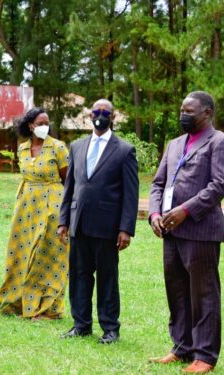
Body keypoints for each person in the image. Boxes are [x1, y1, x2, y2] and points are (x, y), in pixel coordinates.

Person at [147, 92, 224, 373]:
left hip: (200, 230)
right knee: (176, 291)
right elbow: (158, 183)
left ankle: (205, 355)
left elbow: (219, 185)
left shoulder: (221, 142)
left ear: (207, 113)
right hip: (170, 231)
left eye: (189, 111)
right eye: (181, 110)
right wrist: (154, 214)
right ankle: (181, 347)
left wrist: (184, 210)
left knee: (204, 294)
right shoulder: (174, 144)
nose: (183, 115)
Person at [57, 99, 139, 344]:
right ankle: (80, 325)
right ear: (89, 115)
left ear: (112, 117)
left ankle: (110, 328)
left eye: (105, 112)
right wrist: (64, 220)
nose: (100, 115)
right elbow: (69, 186)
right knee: (79, 276)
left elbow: (130, 193)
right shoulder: (77, 146)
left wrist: (126, 228)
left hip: (107, 227)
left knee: (107, 278)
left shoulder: (124, 150)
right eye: (96, 112)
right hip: (79, 223)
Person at [0, 107, 69, 320]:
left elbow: (68, 180)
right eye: (40, 123)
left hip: (52, 207)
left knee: (48, 256)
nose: (44, 127)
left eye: (47, 123)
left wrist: (66, 211)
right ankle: (18, 302)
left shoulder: (58, 147)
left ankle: (47, 308)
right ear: (30, 125)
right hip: (26, 209)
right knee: (21, 255)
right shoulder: (23, 149)